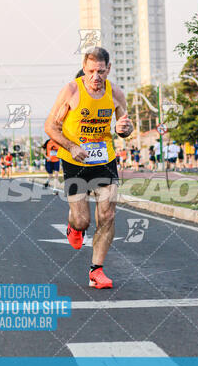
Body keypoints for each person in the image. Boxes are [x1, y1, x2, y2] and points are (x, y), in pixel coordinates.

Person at [45, 47, 133, 289]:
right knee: (83, 220)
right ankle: (74, 227)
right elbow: (50, 127)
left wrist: (124, 129)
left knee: (108, 214)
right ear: (84, 69)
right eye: (92, 71)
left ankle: (97, 271)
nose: (96, 77)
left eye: (101, 71)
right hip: (75, 161)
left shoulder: (116, 93)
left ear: (109, 69)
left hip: (104, 159)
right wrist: (72, 147)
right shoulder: (72, 90)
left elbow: (124, 126)